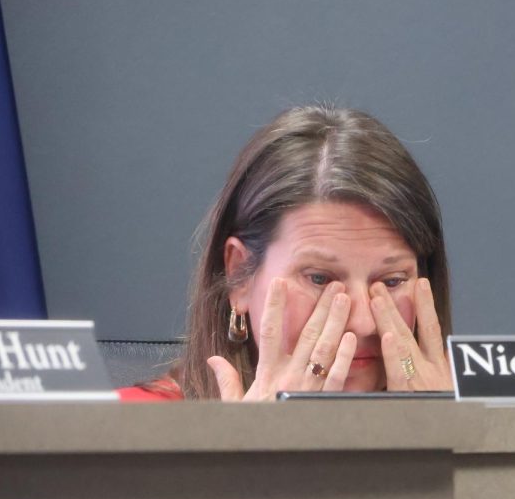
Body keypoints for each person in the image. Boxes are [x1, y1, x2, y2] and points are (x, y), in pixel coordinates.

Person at [119, 106, 452, 401]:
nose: (363, 323)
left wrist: (451, 445)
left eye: (392, 281)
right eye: (320, 279)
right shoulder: (122, 432)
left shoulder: (490, 435)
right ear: (239, 274)